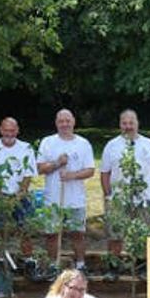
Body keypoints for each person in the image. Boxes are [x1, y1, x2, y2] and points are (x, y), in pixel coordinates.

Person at [100, 109, 150, 260]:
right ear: (120, 125)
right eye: (124, 123)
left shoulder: (148, 144)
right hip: (118, 200)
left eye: (131, 122)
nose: (128, 126)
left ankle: (141, 266)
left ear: (137, 123)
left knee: (144, 234)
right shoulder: (112, 145)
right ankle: (114, 265)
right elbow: (104, 173)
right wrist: (109, 196)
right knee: (115, 235)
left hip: (144, 200)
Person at [36, 109, 95, 273]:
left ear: (73, 122)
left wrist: (72, 175)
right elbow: (40, 168)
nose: (64, 124)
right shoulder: (47, 142)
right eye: (61, 121)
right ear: (56, 123)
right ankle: (53, 265)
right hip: (53, 199)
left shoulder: (83, 144)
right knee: (52, 234)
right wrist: (57, 163)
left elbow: (90, 170)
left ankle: (81, 265)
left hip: (76, 199)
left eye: (67, 121)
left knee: (78, 233)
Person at [0, 117, 37, 260]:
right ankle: (1, 258)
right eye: (6, 130)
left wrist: (17, 198)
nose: (9, 133)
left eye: (12, 130)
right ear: (0, 130)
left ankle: (28, 260)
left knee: (25, 230)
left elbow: (27, 176)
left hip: (21, 197)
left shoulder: (26, 148)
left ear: (17, 130)